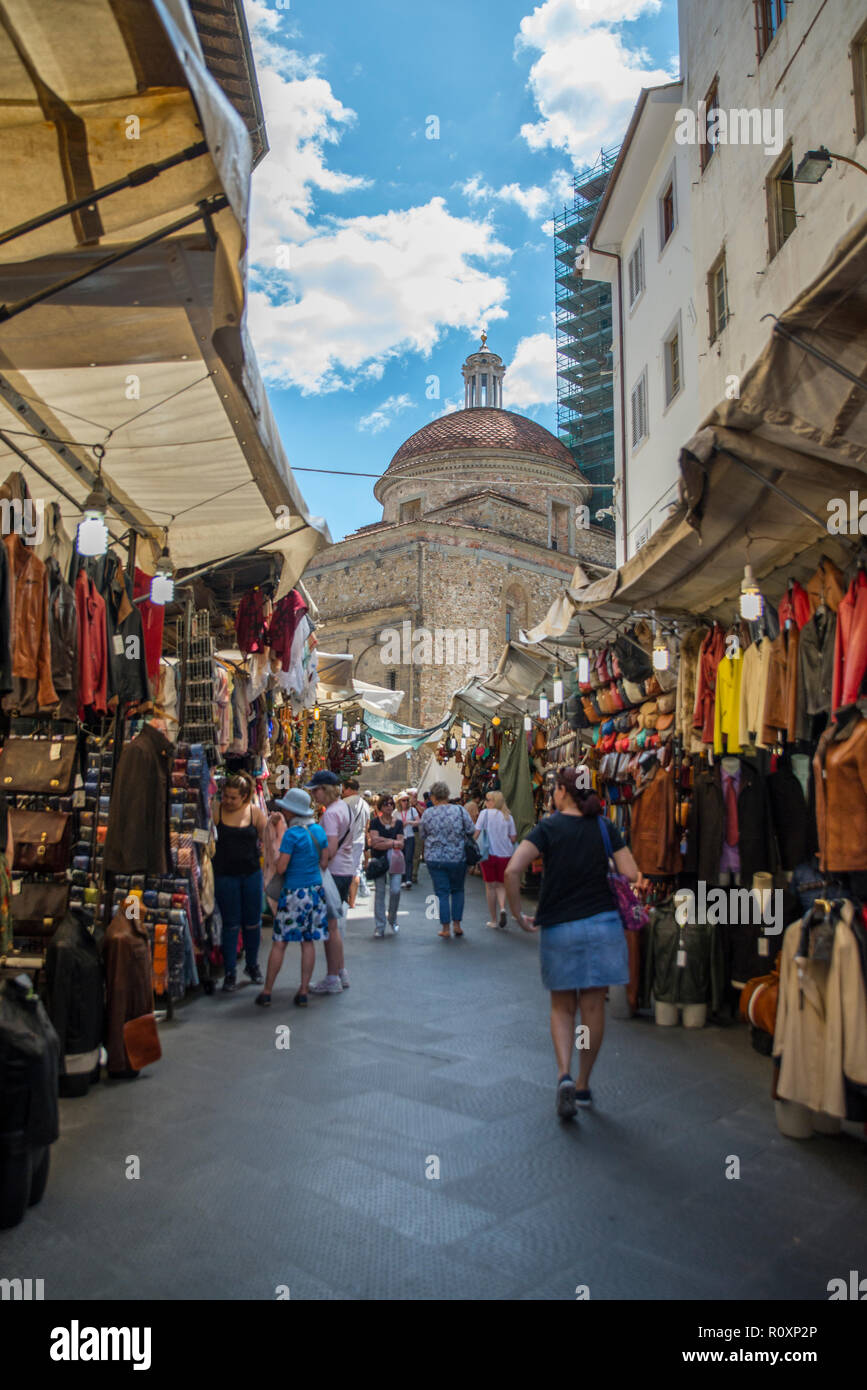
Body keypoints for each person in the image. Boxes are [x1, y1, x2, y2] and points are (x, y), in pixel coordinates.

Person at [504, 767, 640, 1121]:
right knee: (592, 1006)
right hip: (602, 926)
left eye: (554, 789)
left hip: (560, 927)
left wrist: (518, 914)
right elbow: (631, 874)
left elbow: (512, 870)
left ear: (563, 792)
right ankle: (582, 1083)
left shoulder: (548, 828)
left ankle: (563, 1073)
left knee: (563, 1007)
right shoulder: (604, 827)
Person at [257, 788, 328, 1007]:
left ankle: (268, 991)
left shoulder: (292, 834)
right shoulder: (319, 831)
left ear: (292, 811)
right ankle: (304, 991)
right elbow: (324, 862)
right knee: (308, 942)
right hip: (315, 891)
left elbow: (281, 868)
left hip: (294, 893)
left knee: (280, 942)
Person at [210, 772, 267, 992]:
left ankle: (252, 965)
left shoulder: (254, 813)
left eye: (233, 797)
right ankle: (230, 972)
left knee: (252, 923)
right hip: (225, 875)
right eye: (226, 796)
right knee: (230, 924)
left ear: (245, 796)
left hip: (251, 874)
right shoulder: (217, 812)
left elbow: (266, 839)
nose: (228, 801)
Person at [305, 770, 353, 993]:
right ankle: (340, 971)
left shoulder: (331, 814)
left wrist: (316, 864)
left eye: (316, 789)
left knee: (330, 928)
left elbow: (330, 849)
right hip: (345, 869)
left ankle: (332, 977)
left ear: (326, 789)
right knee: (334, 927)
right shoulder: (344, 808)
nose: (314, 794)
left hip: (333, 872)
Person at [419, 782, 474, 939]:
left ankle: (445, 928)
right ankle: (457, 925)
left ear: (433, 797)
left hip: (435, 858)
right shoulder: (459, 810)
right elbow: (471, 829)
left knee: (442, 892)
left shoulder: (428, 814)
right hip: (457, 857)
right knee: (458, 890)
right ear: (448, 795)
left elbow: (423, 834)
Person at [474, 790, 517, 927]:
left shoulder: (484, 814)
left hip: (489, 855)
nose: (485, 802)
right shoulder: (508, 817)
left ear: (494, 801)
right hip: (505, 855)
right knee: (501, 884)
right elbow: (513, 838)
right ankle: (503, 908)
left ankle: (493, 919)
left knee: (490, 887)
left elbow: (476, 833)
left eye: (488, 799)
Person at [367, 794, 404, 937]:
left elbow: (401, 844)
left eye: (391, 804)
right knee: (380, 893)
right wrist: (392, 842)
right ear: (380, 807)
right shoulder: (375, 822)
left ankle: (392, 918)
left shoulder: (399, 823)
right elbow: (374, 842)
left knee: (396, 890)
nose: (389, 806)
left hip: (395, 860)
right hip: (379, 860)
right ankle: (380, 925)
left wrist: (384, 841)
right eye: (386, 804)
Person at [342, 778, 370, 907]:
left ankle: (344, 898)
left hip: (345, 841)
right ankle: (352, 901)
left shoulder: (344, 802)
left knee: (342, 869)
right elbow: (367, 825)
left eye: (343, 789)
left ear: (348, 789)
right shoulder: (365, 804)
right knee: (355, 871)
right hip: (359, 840)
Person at [396, 791, 420, 890]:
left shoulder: (412, 810)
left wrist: (409, 822)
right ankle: (403, 879)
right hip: (400, 838)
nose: (405, 802)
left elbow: (418, 821)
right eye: (403, 800)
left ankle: (408, 879)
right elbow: (392, 824)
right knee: (401, 859)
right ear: (399, 802)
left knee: (409, 858)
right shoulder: (396, 812)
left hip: (410, 836)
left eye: (407, 800)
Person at [464, 798, 482, 875]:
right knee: (475, 847)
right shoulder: (474, 805)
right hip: (473, 826)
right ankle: (474, 867)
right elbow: (476, 815)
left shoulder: (466, 804)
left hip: (466, 826)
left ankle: (470, 867)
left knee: (468, 846)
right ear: (477, 797)